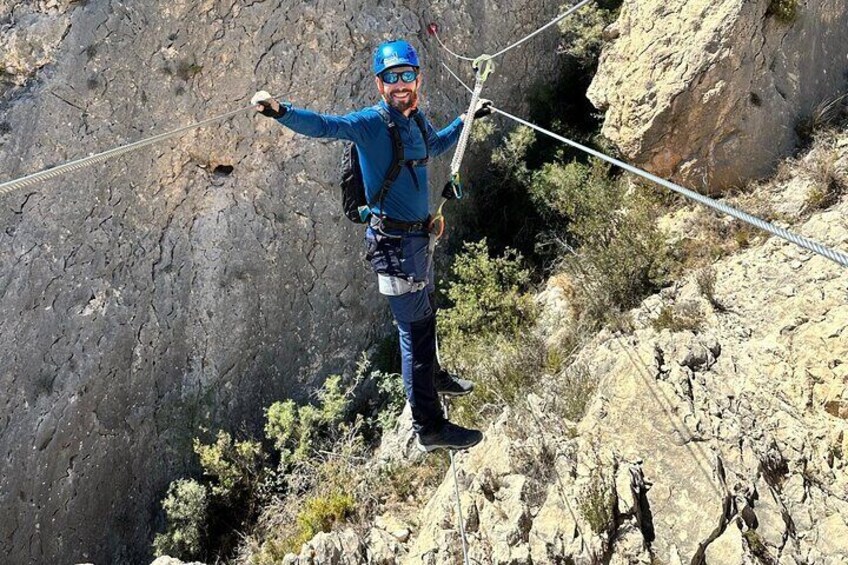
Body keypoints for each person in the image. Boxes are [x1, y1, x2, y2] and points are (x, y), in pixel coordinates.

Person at [251, 39, 491, 452]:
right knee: (414, 334)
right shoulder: (370, 123)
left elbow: (433, 148)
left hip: (417, 238)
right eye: (390, 77)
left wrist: (466, 119)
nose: (399, 84)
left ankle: (433, 377)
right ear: (379, 84)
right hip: (395, 246)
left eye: (405, 75)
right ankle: (429, 427)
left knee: (426, 316)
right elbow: (326, 126)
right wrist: (279, 111)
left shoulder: (416, 120)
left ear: (417, 78)